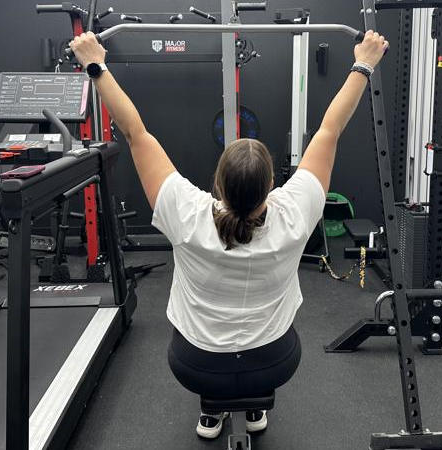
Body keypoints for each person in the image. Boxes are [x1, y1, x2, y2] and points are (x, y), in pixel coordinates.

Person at [69, 29, 389, 439]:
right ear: (272, 184)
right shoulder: (295, 211)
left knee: (214, 364)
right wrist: (363, 64)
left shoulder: (187, 212)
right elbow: (330, 130)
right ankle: (254, 403)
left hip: (195, 365)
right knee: (258, 359)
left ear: (217, 183)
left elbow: (135, 133)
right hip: (275, 362)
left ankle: (213, 411)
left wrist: (96, 65)